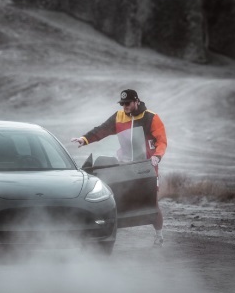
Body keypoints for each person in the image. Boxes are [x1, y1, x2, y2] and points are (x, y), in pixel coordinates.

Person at [71, 88, 167, 245]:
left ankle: (159, 235)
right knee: (118, 198)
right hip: (124, 165)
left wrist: (157, 156)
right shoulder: (119, 116)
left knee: (151, 202)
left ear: (136, 101)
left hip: (147, 166)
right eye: (122, 104)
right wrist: (84, 139)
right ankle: (113, 233)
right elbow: (101, 130)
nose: (125, 107)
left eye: (127, 103)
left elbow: (161, 141)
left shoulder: (151, 117)